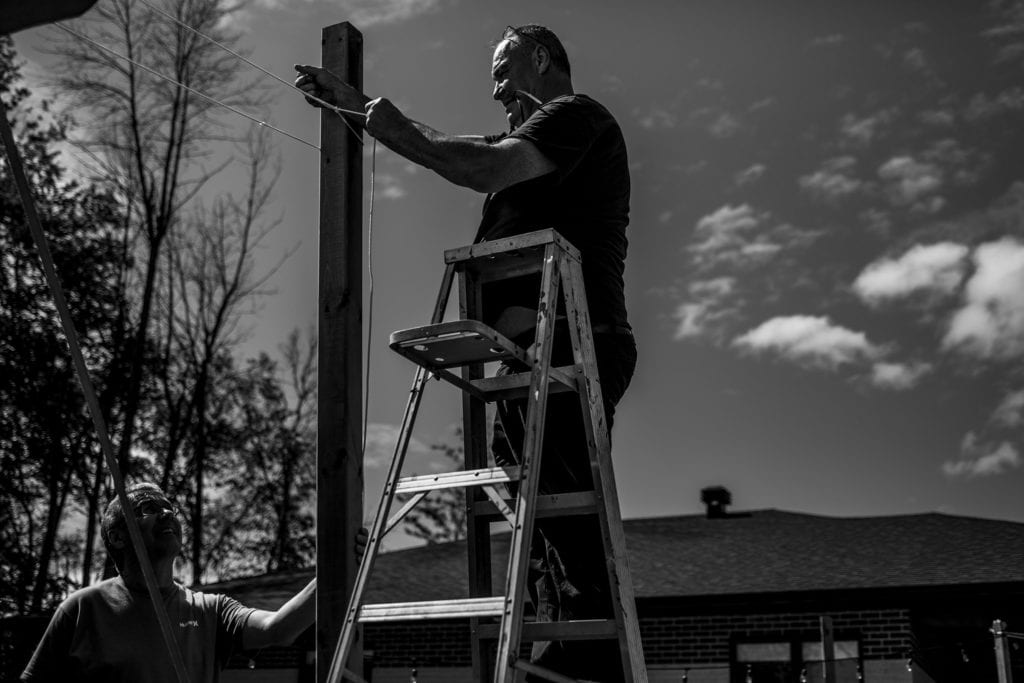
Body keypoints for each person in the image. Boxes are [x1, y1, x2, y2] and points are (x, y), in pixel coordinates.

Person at [296, 24, 635, 682]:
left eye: (505, 67)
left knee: (560, 497)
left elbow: (484, 162)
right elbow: (476, 151)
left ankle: (586, 645)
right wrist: (361, 109)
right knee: (531, 502)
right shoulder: (535, 146)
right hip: (531, 352)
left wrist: (388, 125)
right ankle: (562, 637)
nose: (495, 86)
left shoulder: (577, 116)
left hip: (577, 342)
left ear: (542, 56)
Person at [21, 482, 366, 682]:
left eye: (169, 507)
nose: (167, 513)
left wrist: (340, 566)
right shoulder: (83, 609)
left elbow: (280, 628)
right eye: (147, 509)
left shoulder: (209, 610)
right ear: (119, 537)